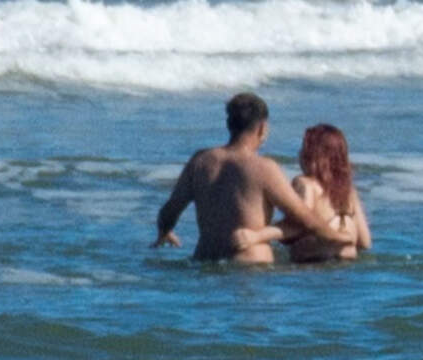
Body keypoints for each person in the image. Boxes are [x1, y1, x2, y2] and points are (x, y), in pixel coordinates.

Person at [153, 92, 347, 263]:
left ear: (229, 125)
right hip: (249, 269)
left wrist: (165, 231)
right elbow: (305, 219)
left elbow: (169, 211)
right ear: (262, 128)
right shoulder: (264, 168)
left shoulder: (200, 161)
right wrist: (337, 237)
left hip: (205, 260)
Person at [232, 123, 372, 264]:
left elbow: (298, 225)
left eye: (303, 149)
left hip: (314, 263)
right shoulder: (349, 191)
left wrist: (257, 236)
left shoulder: (305, 184)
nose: (299, 154)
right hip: (347, 264)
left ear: (311, 156)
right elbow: (365, 242)